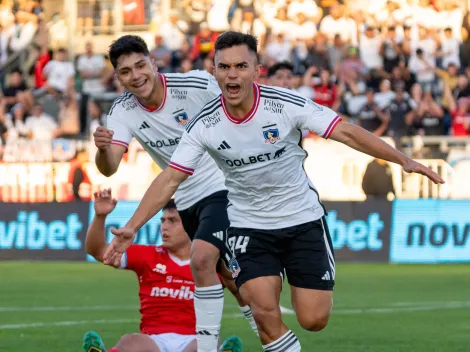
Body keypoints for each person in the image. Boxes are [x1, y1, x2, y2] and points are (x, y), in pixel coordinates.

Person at [103, 32, 445, 351]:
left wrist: (403, 160)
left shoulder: (285, 104)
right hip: (248, 225)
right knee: (263, 311)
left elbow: (347, 132)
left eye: (241, 66)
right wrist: (132, 226)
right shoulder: (203, 125)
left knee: (313, 319)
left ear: (256, 70)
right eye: (224, 67)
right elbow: (169, 179)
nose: (232, 75)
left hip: (301, 218)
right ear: (215, 72)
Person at [93, 35, 257, 352]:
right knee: (235, 282)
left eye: (141, 65)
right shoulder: (123, 110)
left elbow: (238, 103)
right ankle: (267, 339)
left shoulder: (195, 85)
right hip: (185, 200)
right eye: (125, 71)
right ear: (118, 78)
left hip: (224, 188)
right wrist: (101, 150)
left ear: (154, 63)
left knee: (206, 260)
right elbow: (109, 166)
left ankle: (229, 345)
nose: (136, 75)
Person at [83, 189, 242, 352]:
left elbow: (245, 291)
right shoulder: (148, 255)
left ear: (191, 224)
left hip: (195, 338)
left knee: (206, 344)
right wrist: (100, 217)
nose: (164, 227)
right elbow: (98, 251)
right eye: (163, 220)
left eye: (172, 221)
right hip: (153, 340)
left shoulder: (211, 262)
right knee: (130, 341)